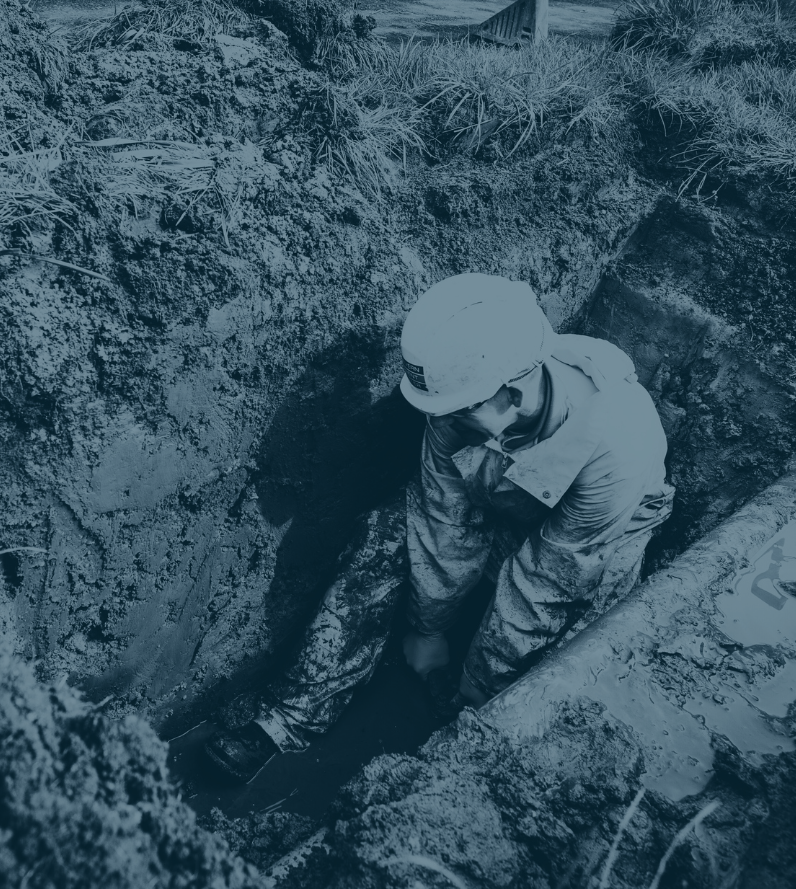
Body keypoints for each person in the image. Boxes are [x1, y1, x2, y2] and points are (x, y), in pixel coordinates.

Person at [205, 273, 673, 782]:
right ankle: (289, 716)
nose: (441, 422)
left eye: (456, 413)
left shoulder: (616, 449)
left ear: (512, 393)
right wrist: (429, 632)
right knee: (383, 538)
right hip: (500, 504)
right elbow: (442, 520)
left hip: (592, 544)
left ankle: (471, 758)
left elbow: (545, 585)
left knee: (576, 651)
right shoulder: (463, 401)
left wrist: (474, 692)